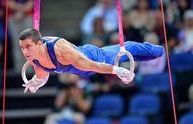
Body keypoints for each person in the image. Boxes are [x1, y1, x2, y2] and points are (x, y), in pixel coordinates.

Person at [19, 28, 164, 93]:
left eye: (28, 47)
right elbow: (42, 74)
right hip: (82, 70)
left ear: (39, 44)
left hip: (90, 57)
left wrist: (118, 71)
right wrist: (37, 82)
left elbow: (92, 66)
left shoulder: (60, 50)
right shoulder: (33, 55)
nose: (25, 52)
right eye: (22, 48)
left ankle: (159, 49)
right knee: (122, 53)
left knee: (125, 50)